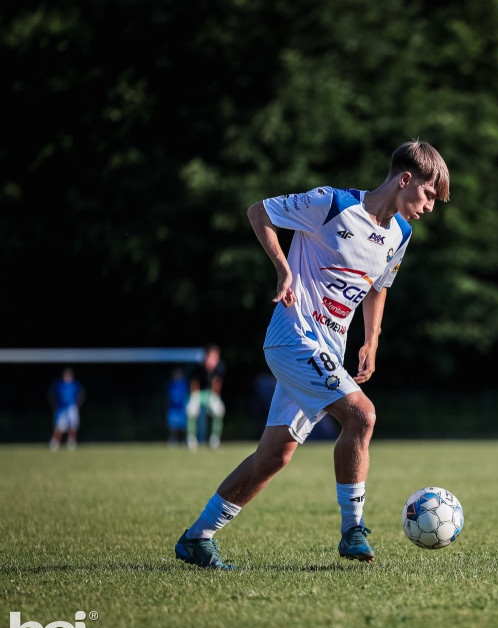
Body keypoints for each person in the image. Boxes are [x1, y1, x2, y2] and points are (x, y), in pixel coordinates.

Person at [175, 140, 450, 570]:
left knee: (274, 455)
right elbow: (259, 212)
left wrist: (371, 340)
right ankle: (352, 529)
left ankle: (197, 537)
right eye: (430, 195)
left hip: (328, 352)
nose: (431, 207)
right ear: (405, 179)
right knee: (362, 415)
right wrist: (284, 268)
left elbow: (380, 287)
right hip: (293, 339)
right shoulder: (331, 203)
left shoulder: (401, 234)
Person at [186, 343, 227, 451]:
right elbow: (194, 385)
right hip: (198, 393)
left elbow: (217, 384)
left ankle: (214, 439)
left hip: (210, 393)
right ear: (206, 356)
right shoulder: (197, 367)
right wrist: (196, 399)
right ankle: (191, 439)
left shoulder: (219, 368)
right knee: (191, 409)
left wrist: (213, 399)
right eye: (212, 357)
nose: (214, 359)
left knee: (219, 410)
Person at [48, 367, 84, 451]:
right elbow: (50, 394)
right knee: (59, 426)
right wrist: (53, 404)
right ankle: (54, 443)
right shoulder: (58, 384)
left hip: (71, 407)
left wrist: (77, 405)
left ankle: (71, 442)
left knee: (72, 426)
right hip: (61, 408)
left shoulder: (74, 384)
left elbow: (81, 393)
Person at [167, 367, 189, 446]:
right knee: (172, 425)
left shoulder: (185, 383)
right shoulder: (171, 384)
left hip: (182, 408)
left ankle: (185, 439)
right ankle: (173, 439)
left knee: (184, 426)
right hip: (173, 408)